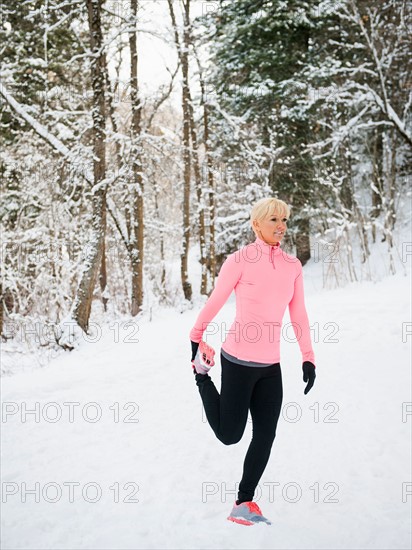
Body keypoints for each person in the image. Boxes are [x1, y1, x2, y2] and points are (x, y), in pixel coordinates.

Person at [189, 197, 316, 526]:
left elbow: (298, 314)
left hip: (270, 368)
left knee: (266, 435)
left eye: (284, 219)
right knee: (230, 435)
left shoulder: (292, 267)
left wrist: (308, 357)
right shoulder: (240, 260)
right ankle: (202, 376)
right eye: (273, 220)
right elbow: (216, 299)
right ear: (256, 224)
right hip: (237, 362)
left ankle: (243, 502)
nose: (281, 226)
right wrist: (195, 336)